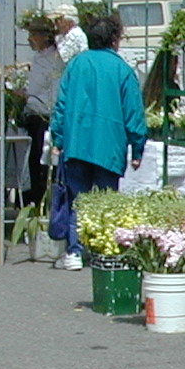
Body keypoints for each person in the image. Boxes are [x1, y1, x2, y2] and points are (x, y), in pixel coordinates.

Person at [48, 15, 146, 271]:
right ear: (115, 40)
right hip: (109, 145)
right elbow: (134, 112)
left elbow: (61, 105)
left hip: (77, 142)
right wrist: (137, 148)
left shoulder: (76, 65)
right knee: (106, 201)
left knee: (76, 200)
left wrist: (58, 138)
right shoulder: (123, 70)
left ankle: (74, 251)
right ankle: (105, 250)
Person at [21, 22, 64, 207]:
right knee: (33, 159)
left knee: (40, 160)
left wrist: (24, 93)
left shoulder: (52, 59)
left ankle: (39, 198)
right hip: (35, 111)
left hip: (44, 114)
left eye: (33, 35)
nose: (30, 39)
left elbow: (37, 87)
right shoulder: (39, 57)